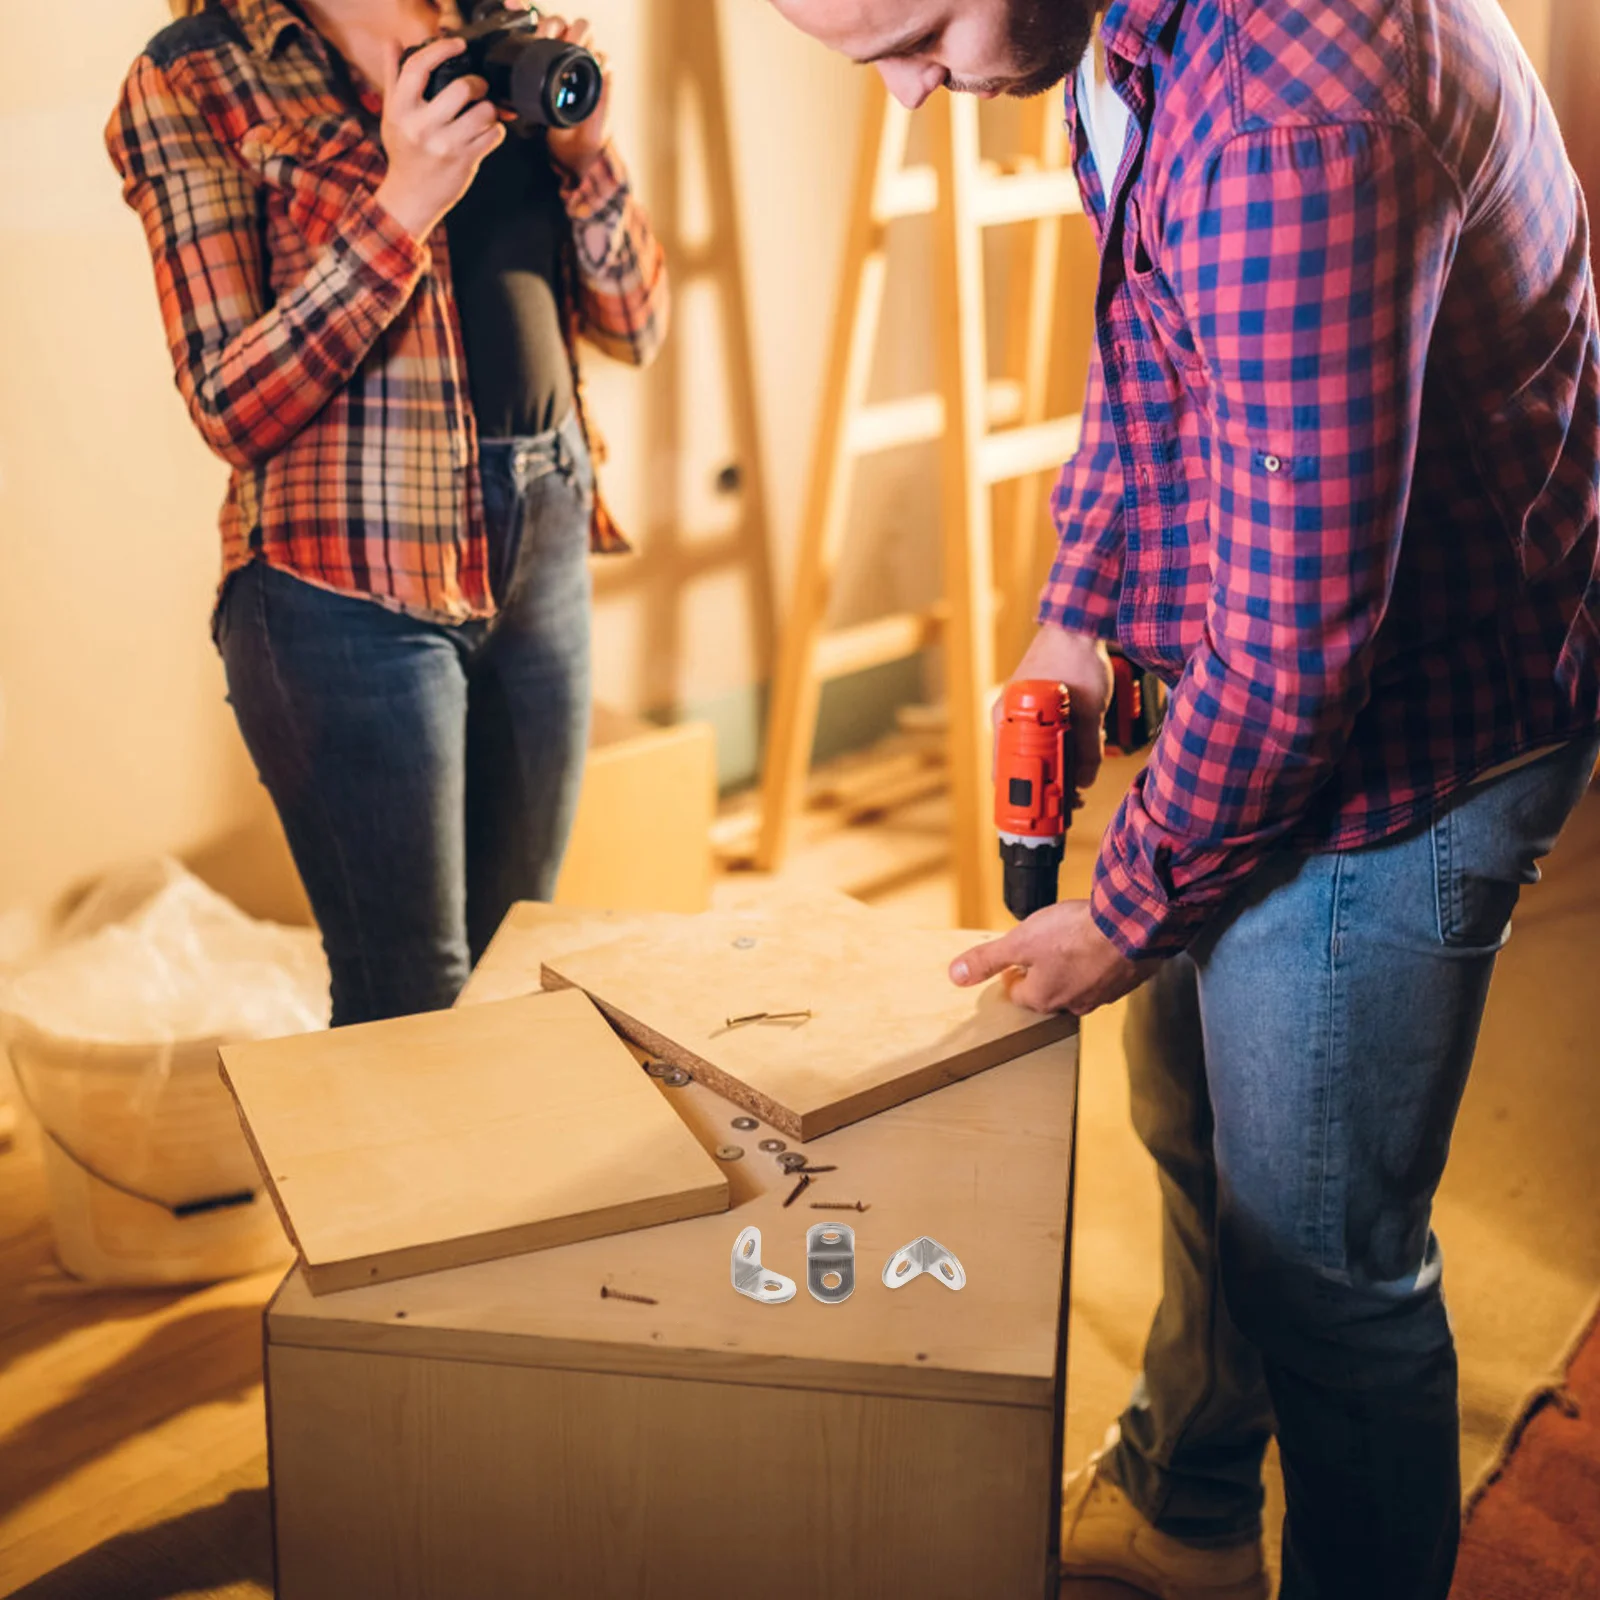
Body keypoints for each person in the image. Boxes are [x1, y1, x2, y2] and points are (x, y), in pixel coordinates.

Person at [769, 0, 1600, 1595]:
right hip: (1303, 672)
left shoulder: (1305, 107)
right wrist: (1076, 622)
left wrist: (1128, 910)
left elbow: (1294, 660)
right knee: (1194, 1113)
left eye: (918, 41)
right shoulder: (1130, 34)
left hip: (1420, 738)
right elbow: (1155, 359)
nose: (908, 105)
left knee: (1326, 1273)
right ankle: (1194, 1490)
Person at [106, 0, 667, 1026]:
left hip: (542, 546)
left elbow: (639, 324)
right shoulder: (195, 77)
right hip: (341, 594)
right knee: (409, 998)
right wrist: (402, 201)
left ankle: (509, 1194)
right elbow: (229, 405)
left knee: (514, 972)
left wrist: (588, 153)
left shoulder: (506, 29)